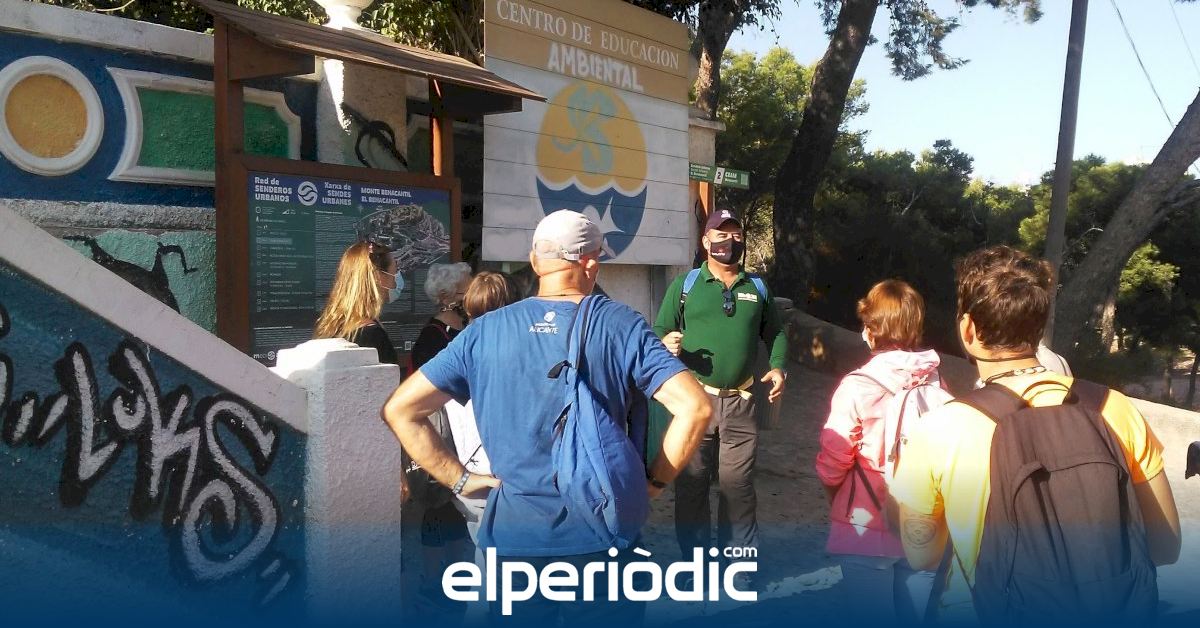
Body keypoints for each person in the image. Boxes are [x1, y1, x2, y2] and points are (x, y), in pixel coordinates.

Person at [382, 209, 711, 623]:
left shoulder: (483, 330)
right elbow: (696, 408)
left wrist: (459, 480)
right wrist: (655, 483)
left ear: (536, 261)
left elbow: (401, 409)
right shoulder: (621, 325)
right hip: (602, 535)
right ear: (590, 263)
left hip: (515, 538)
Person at [892, 245, 1182, 623]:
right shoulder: (1114, 408)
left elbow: (922, 556)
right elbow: (1165, 546)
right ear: (1039, 327)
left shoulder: (940, 428)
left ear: (967, 329)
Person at [652, 208, 788, 579]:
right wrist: (665, 342)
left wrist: (778, 367)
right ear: (705, 241)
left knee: (738, 488)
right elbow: (659, 328)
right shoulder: (686, 286)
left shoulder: (756, 287)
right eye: (721, 234)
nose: (730, 241)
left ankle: (739, 565)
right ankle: (694, 565)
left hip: (742, 402)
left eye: (736, 235)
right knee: (692, 486)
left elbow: (775, 332)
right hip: (693, 404)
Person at [815, 280, 951, 623]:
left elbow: (833, 461)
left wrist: (838, 500)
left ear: (871, 329)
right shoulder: (936, 381)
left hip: (865, 522)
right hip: (924, 524)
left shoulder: (857, 386)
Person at [444, 271, 521, 547]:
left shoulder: (456, 349)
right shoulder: (520, 352)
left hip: (470, 476)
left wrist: (458, 478)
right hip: (509, 479)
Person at [314, 240, 404, 364]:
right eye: (394, 271)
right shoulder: (373, 336)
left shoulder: (332, 326)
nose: (396, 279)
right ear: (378, 277)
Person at [411, 262, 473, 370]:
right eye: (467, 292)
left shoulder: (469, 324)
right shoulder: (431, 337)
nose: (473, 297)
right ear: (445, 297)